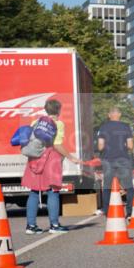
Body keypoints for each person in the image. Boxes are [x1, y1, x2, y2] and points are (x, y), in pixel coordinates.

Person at [22, 99, 81, 234]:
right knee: (53, 192)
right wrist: (71, 157)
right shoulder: (58, 124)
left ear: (45, 109)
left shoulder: (36, 122)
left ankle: (31, 226)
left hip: (35, 160)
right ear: (59, 110)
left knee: (34, 192)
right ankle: (54, 225)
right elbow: (57, 144)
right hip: (51, 160)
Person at [96, 105, 134, 215]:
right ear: (119, 115)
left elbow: (100, 146)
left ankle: (107, 211)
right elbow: (130, 146)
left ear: (109, 115)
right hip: (123, 159)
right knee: (128, 186)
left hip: (108, 160)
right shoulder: (126, 127)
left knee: (107, 187)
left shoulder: (103, 127)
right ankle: (130, 212)